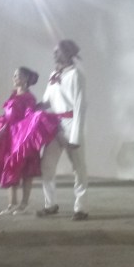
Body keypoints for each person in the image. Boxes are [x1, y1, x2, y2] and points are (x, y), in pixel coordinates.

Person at [0, 67, 60, 214]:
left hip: (22, 138)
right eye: (14, 75)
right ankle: (12, 204)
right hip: (10, 137)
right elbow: (8, 117)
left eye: (17, 76)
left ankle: (24, 204)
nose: (14, 78)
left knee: (26, 171)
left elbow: (29, 118)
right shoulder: (14, 95)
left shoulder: (29, 98)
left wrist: (27, 130)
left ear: (25, 79)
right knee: (9, 168)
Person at [36, 40, 88, 221]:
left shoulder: (76, 74)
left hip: (71, 124)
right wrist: (32, 107)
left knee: (78, 167)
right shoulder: (54, 75)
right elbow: (47, 101)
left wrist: (75, 136)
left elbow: (80, 106)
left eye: (57, 51)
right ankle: (50, 204)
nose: (54, 54)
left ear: (68, 52)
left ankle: (81, 208)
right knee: (47, 165)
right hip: (55, 126)